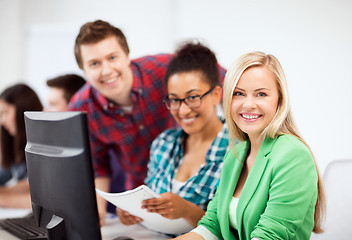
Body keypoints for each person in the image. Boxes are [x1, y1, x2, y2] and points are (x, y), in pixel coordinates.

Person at [174, 52, 325, 240]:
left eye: (261, 94)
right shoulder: (236, 155)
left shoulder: (293, 155)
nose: (248, 104)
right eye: (239, 94)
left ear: (279, 100)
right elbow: (212, 226)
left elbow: (270, 236)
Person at [68, 19, 178, 221]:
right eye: (94, 63)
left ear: (127, 55)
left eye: (112, 57)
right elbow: (97, 165)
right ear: (84, 71)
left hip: (189, 186)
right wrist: (97, 216)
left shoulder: (165, 68)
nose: (106, 70)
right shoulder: (81, 108)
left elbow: (223, 83)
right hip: (142, 202)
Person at [115, 42, 230, 229]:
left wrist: (188, 211)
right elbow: (150, 206)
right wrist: (134, 211)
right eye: (175, 100)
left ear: (216, 94)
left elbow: (235, 230)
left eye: (193, 97)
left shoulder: (237, 151)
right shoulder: (163, 143)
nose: (183, 111)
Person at [0, 83, 43, 208]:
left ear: (22, 109)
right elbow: (3, 173)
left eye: (5, 112)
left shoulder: (43, 145)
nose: (2, 120)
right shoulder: (16, 144)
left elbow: (32, 186)